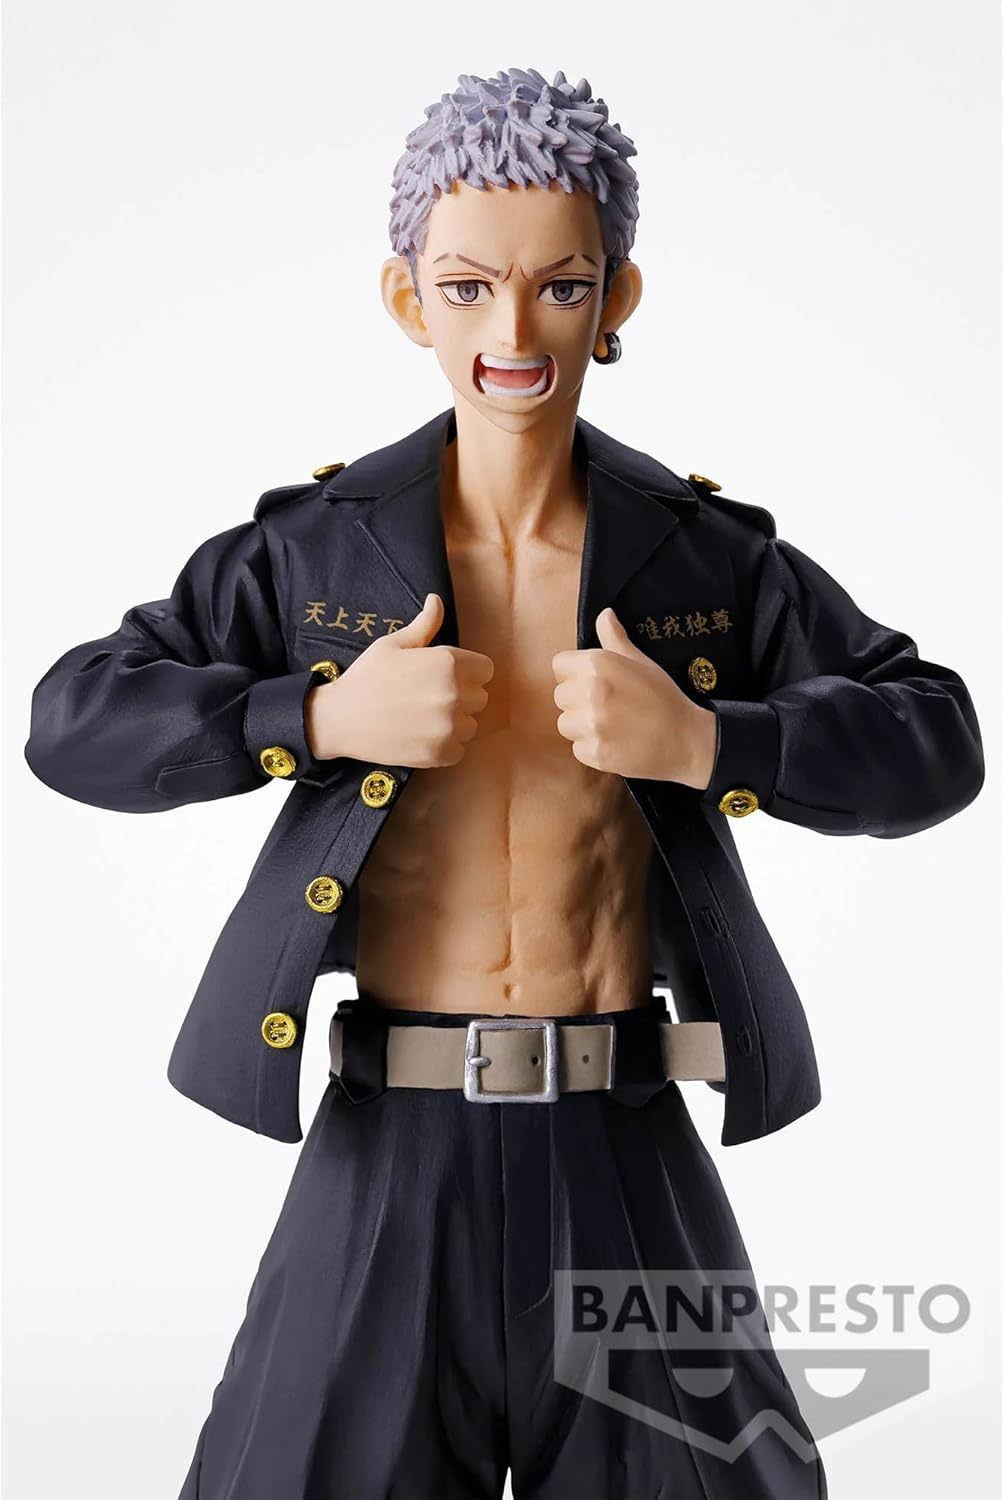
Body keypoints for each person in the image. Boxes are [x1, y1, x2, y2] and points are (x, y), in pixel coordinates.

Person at [24, 66, 983, 1499]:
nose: (513, 333)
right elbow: (73, 718)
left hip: (625, 1144)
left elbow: (937, 737)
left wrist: (712, 744)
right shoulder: (316, 550)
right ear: (408, 300)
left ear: (618, 299)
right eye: (469, 288)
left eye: (560, 287)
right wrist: (319, 713)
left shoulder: (706, 556)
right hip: (389, 1154)